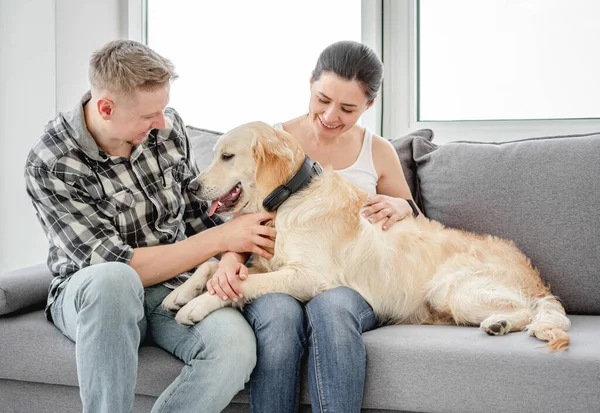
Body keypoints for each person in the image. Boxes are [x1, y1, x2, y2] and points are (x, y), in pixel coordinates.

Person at [24, 39, 276, 413]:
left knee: (235, 347)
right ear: (106, 107)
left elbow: (197, 217)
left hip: (170, 287)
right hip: (94, 295)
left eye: (161, 110)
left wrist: (228, 255)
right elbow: (120, 266)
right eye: (148, 116)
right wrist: (221, 236)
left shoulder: (167, 128)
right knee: (114, 280)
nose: (161, 122)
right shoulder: (52, 163)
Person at [206, 40, 420, 412]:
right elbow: (243, 215)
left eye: (348, 108)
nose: (330, 115)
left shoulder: (378, 151)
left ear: (369, 106)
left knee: (332, 308)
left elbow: (415, 219)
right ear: (310, 84)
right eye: (323, 99)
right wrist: (228, 260)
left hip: (348, 280)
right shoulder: (269, 141)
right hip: (276, 271)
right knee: (278, 316)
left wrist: (402, 206)